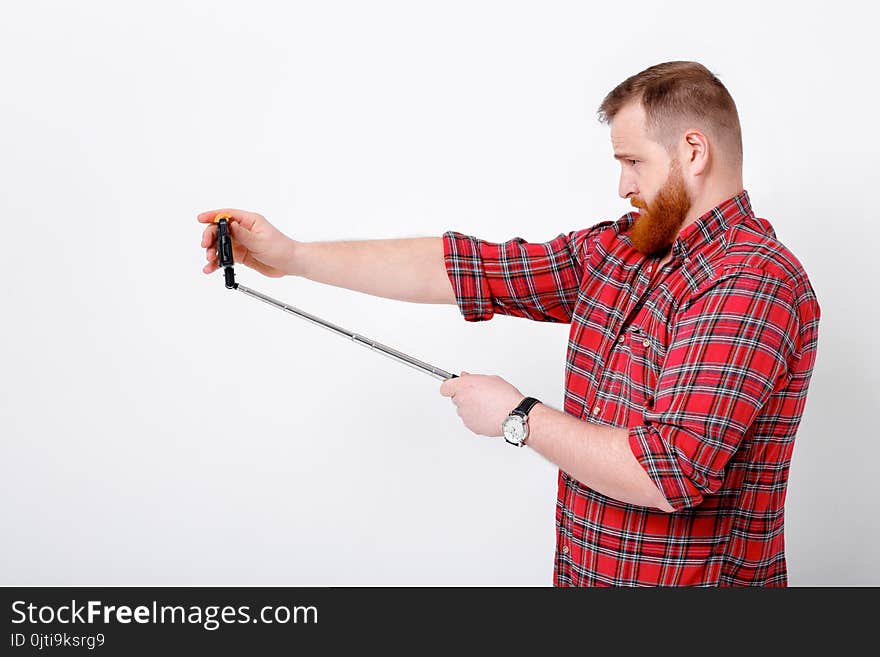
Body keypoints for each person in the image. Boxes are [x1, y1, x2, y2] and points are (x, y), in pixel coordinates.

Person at [196, 61, 820, 587]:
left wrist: (517, 417)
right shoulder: (619, 252)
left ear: (692, 151)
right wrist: (295, 257)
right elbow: (472, 268)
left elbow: (668, 473)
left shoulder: (752, 281)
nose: (622, 184)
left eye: (633, 161)